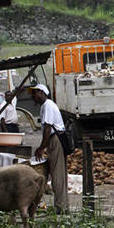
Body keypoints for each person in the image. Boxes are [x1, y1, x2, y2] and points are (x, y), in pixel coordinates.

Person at [30, 84, 68, 213]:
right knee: (55, 172)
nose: (32, 96)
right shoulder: (45, 106)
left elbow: (47, 128)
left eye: (34, 93)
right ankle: (60, 205)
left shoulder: (48, 105)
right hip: (53, 139)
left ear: (42, 92)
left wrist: (41, 147)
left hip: (55, 139)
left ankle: (61, 207)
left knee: (58, 174)